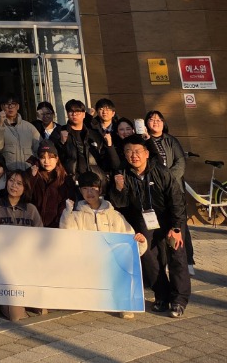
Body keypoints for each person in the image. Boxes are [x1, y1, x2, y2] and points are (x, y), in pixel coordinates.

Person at [108, 135, 190, 318]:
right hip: (144, 220)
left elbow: (177, 200)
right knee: (148, 255)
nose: (133, 155)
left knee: (176, 256)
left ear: (146, 153)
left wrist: (176, 227)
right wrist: (118, 189)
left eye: (137, 151)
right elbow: (120, 204)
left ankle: (179, 300)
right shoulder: (123, 174)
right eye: (129, 151)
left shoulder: (161, 172)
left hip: (170, 218)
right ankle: (162, 295)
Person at [60, 171, 146, 319]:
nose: (89, 192)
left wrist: (140, 242)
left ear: (99, 189)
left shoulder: (114, 215)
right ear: (80, 191)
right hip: (88, 262)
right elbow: (67, 237)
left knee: (122, 266)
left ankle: (125, 303)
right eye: (85, 189)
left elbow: (128, 242)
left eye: (93, 188)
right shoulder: (76, 215)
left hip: (110, 262)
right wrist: (67, 213)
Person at [0, 170, 44, 321]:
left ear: (25, 188)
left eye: (19, 183)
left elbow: (41, 237)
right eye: (11, 181)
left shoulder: (31, 209)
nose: (14, 185)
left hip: (28, 270)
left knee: (43, 312)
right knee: (17, 316)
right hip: (4, 272)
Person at [144, 110, 194, 274]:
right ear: (146, 123)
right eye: (152, 119)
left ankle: (186, 262)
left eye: (159, 119)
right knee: (159, 227)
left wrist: (166, 179)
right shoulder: (144, 141)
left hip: (174, 189)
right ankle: (163, 262)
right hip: (155, 191)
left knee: (179, 225)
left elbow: (180, 162)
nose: (156, 122)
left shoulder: (171, 140)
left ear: (164, 123)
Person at [54, 99, 119, 193]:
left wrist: (109, 146)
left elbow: (110, 162)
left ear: (84, 114)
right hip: (71, 184)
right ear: (67, 114)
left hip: (96, 183)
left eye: (78, 112)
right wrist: (61, 143)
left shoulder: (94, 134)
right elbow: (55, 158)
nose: (74, 115)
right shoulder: (59, 132)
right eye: (71, 112)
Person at [28, 141, 76, 228]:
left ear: (56, 159)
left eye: (50, 157)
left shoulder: (66, 180)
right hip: (33, 227)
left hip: (56, 228)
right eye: (42, 157)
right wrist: (31, 178)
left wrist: (57, 224)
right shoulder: (32, 174)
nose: (46, 161)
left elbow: (66, 206)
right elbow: (26, 198)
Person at [0, 93, 41, 171]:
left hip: (28, 173)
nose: (10, 107)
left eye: (13, 104)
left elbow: (39, 149)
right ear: (2, 107)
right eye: (7, 104)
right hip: (8, 173)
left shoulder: (29, 127)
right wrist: (0, 124)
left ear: (18, 106)